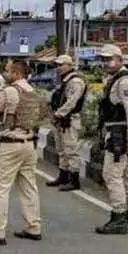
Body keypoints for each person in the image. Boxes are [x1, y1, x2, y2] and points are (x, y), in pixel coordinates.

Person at [0, 60, 42, 245]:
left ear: (16, 73)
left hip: (9, 144)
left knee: (1, 189)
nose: (6, 74)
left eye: (8, 70)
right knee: (29, 187)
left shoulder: (8, 92)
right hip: (29, 143)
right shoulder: (32, 92)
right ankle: (33, 226)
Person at [95, 44, 128, 235]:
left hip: (120, 133)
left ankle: (119, 217)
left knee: (112, 174)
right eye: (104, 59)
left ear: (120, 59)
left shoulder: (124, 82)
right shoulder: (116, 79)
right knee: (127, 174)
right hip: (120, 132)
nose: (106, 62)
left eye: (109, 59)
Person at [47, 55, 87, 192]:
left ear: (69, 65)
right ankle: (63, 176)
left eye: (61, 65)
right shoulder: (64, 81)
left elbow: (71, 102)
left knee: (70, 150)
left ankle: (74, 180)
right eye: (57, 65)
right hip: (61, 120)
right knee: (61, 149)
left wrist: (58, 113)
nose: (58, 68)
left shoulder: (75, 81)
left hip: (70, 119)